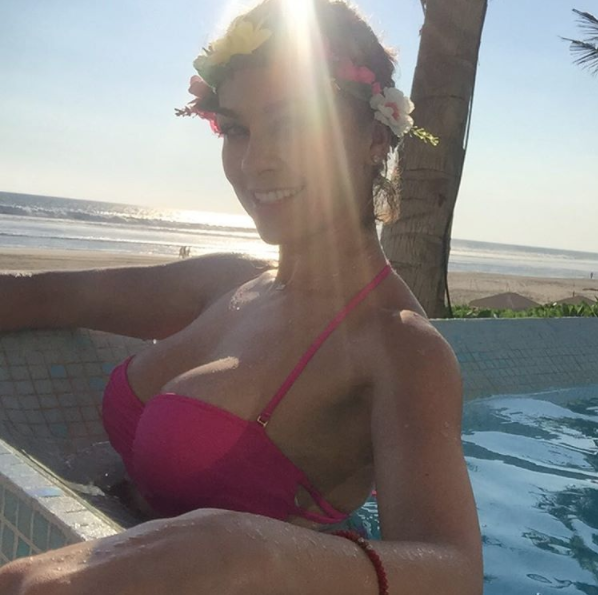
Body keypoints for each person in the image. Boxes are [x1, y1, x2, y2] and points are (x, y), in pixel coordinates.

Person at [0, 0, 483, 593]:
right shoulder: (227, 281)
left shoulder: (399, 346)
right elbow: (52, 297)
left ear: (374, 139)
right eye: (236, 129)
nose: (255, 161)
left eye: (293, 124)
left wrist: (245, 551)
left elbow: (454, 571)